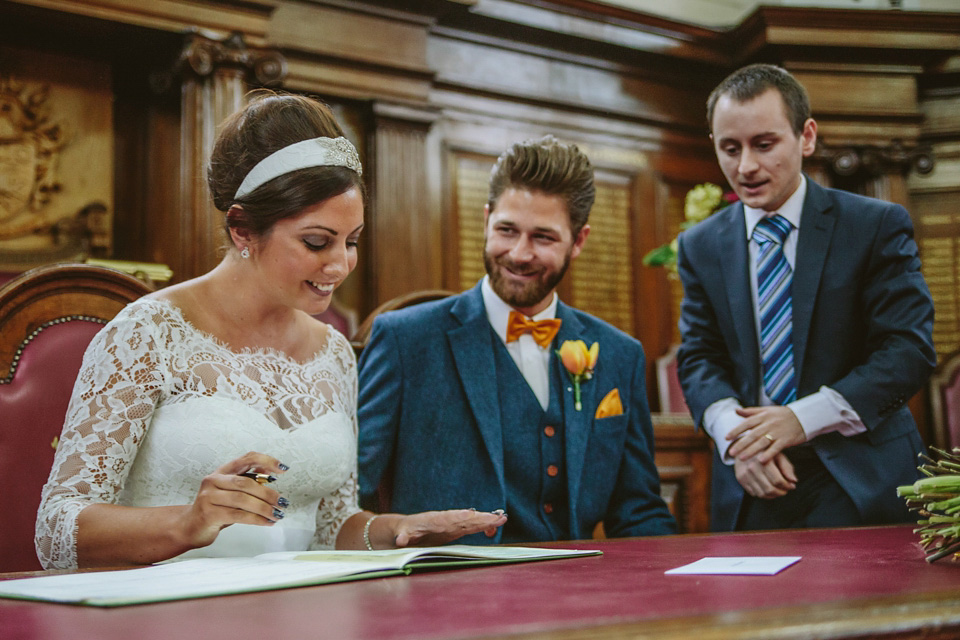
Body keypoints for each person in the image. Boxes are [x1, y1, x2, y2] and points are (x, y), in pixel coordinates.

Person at [35, 91, 506, 570]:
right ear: (242, 229)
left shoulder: (336, 352)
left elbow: (330, 527)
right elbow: (55, 530)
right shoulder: (148, 334)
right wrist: (187, 523)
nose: (341, 264)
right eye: (317, 241)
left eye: (353, 241)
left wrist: (398, 529)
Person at [357, 135, 676, 544]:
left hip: (575, 594)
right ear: (487, 219)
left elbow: (639, 511)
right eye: (507, 230)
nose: (520, 253)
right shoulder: (405, 341)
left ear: (579, 241)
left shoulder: (619, 354)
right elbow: (349, 494)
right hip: (440, 594)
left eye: (543, 237)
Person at [676, 63, 936, 531]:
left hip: (861, 478)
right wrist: (738, 440)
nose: (746, 166)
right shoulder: (700, 245)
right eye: (729, 148)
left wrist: (800, 419)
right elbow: (699, 358)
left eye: (764, 144)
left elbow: (907, 351)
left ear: (807, 137)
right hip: (750, 482)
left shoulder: (874, 225)